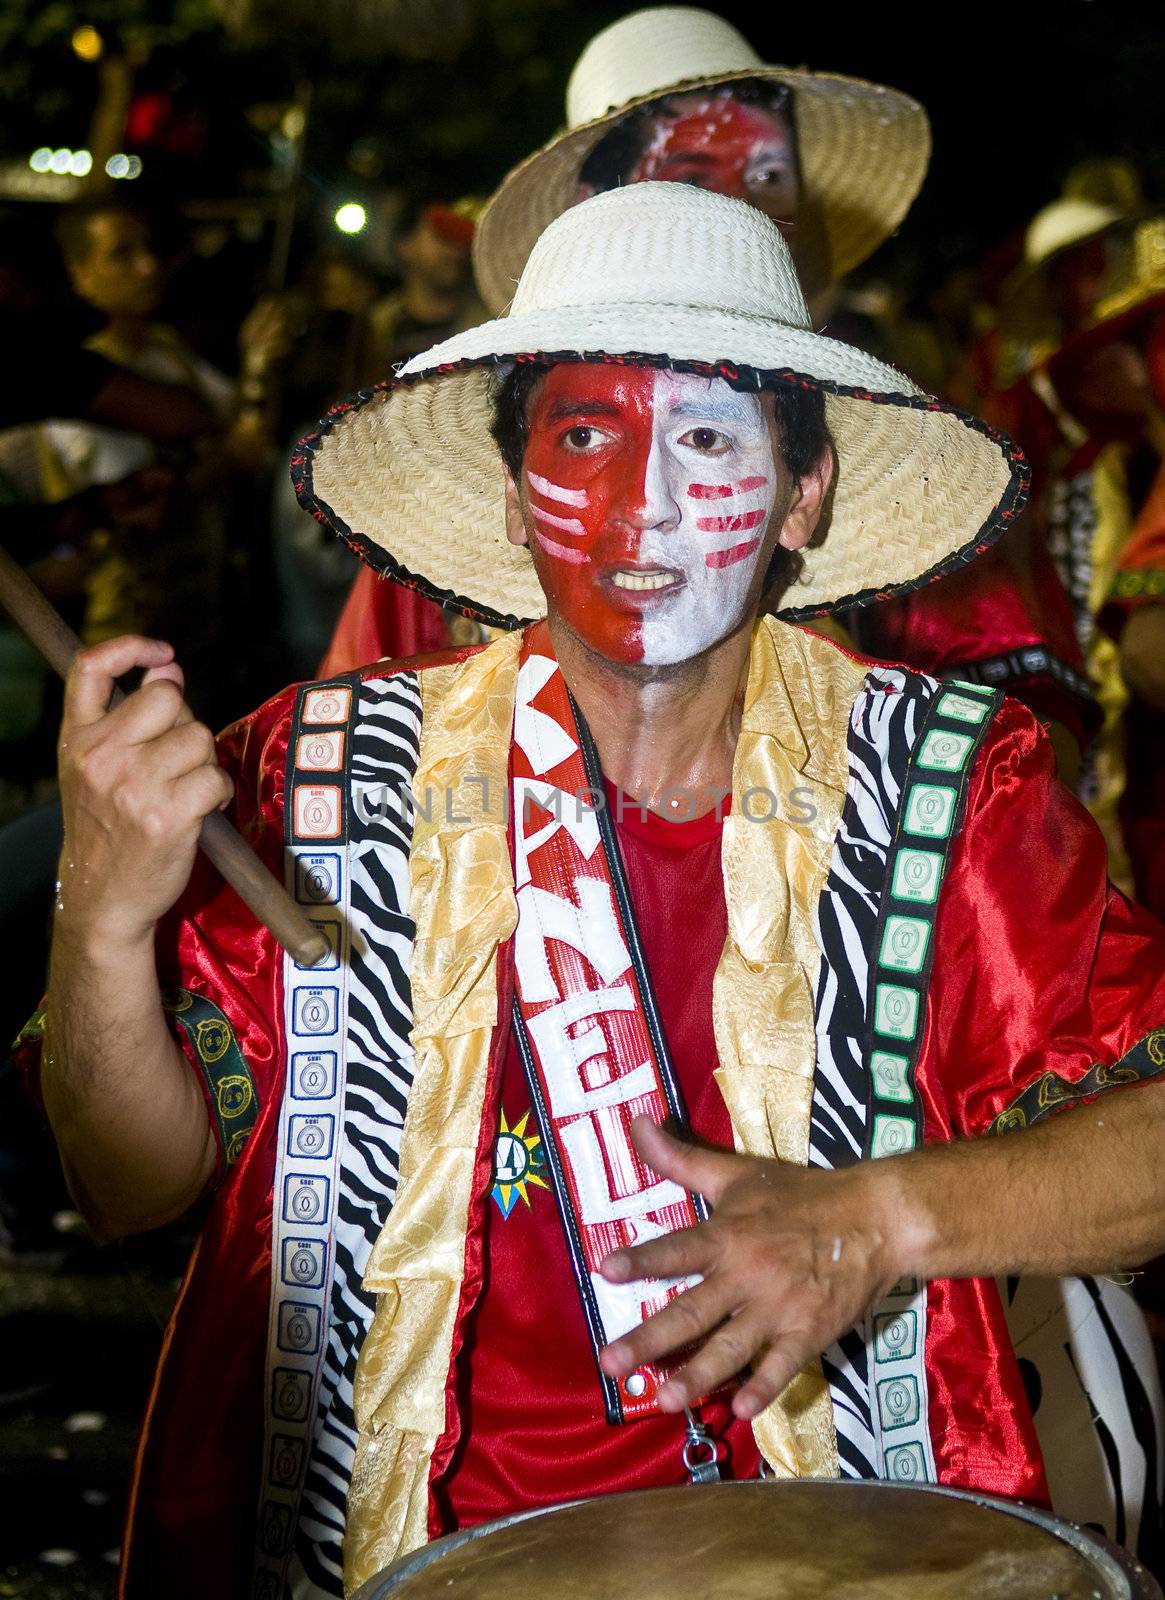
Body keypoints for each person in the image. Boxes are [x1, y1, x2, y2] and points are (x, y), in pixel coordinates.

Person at [23, 184, 1165, 1598]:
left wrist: (880, 1222)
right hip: (389, 1560)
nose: (644, 508)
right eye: (582, 436)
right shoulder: (318, 779)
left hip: (842, 1562)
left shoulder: (946, 783)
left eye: (704, 438)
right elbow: (130, 1187)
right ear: (511, 499)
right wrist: (105, 910)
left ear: (803, 496)